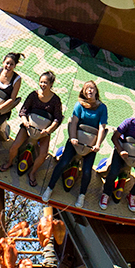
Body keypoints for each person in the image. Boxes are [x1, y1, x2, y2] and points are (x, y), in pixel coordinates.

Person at [48, 80, 110, 209]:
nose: (89, 91)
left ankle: (81, 195)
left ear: (96, 91)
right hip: (77, 139)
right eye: (87, 89)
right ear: (83, 92)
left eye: (92, 88)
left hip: (90, 144)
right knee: (63, 162)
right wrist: (73, 138)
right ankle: (50, 187)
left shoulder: (102, 107)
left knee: (87, 171)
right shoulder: (79, 105)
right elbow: (74, 122)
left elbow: (102, 127)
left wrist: (97, 145)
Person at [3, 70, 64, 182]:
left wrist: (48, 130)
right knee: (14, 145)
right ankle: (9, 162)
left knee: (43, 154)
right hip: (29, 127)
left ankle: (33, 172)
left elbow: (58, 118)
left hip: (43, 132)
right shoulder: (33, 95)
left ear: (51, 84)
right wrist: (25, 121)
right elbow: (23, 110)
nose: (43, 85)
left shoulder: (55, 100)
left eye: (45, 83)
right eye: (41, 82)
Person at [101, 100, 135, 211]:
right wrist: (121, 150)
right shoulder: (128, 122)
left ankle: (132, 195)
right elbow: (114, 137)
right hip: (123, 153)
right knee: (113, 172)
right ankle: (106, 193)